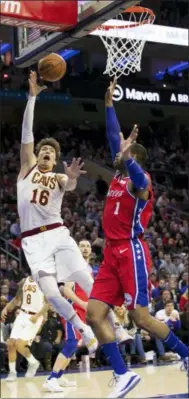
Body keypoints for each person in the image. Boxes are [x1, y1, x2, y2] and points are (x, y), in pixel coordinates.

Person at [86, 78, 188, 398]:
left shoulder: (139, 182)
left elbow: (139, 177)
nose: (117, 150)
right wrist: (109, 105)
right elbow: (112, 136)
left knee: (140, 318)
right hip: (111, 256)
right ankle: (123, 374)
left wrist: (129, 158)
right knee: (93, 314)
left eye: (124, 152)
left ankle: (185, 354)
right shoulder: (119, 170)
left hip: (131, 252)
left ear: (134, 159)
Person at [17, 71, 97, 353]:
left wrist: (73, 176)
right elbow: (27, 133)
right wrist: (32, 98)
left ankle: (115, 323)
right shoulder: (27, 169)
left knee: (88, 280)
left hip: (55, 233)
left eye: (52, 150)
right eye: (44, 149)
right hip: (32, 241)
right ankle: (84, 329)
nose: (47, 152)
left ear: (56, 157)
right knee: (51, 294)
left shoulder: (59, 178)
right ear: (38, 155)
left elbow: (71, 184)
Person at [43, 240, 131, 392]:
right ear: (77, 249)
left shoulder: (88, 268)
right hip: (73, 310)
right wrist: (83, 304)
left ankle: (59, 376)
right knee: (71, 342)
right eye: (82, 246)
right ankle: (51, 378)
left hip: (85, 310)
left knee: (76, 344)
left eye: (87, 246)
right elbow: (66, 290)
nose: (85, 248)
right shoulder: (72, 266)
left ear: (91, 250)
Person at [1, 276, 48, 381]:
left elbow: (49, 303)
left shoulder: (44, 281)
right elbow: (17, 299)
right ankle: (12, 373)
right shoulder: (24, 280)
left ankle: (33, 362)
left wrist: (38, 315)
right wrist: (5, 308)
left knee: (20, 344)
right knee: (10, 343)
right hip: (22, 314)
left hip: (35, 316)